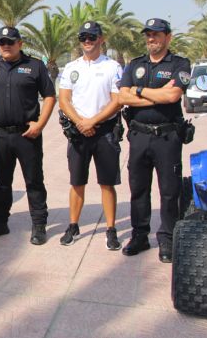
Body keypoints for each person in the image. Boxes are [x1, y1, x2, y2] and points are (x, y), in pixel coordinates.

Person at [0, 26, 56, 245]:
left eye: (11, 42)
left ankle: (39, 225)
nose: (6, 46)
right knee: (2, 182)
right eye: (2, 42)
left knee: (34, 181)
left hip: (27, 135)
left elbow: (49, 96)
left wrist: (41, 124)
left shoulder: (34, 66)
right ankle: (0, 222)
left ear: (20, 43)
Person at [118, 18, 191, 263]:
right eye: (148, 35)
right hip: (139, 135)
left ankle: (167, 239)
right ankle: (139, 236)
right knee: (138, 190)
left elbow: (173, 95)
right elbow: (122, 96)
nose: (152, 39)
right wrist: (154, 95)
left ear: (168, 37)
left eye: (157, 35)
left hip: (167, 137)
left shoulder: (179, 63)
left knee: (170, 191)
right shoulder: (135, 64)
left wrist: (138, 91)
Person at [58, 21, 123, 250]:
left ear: (101, 39)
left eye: (92, 36)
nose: (87, 41)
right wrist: (80, 122)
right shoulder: (70, 67)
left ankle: (111, 229)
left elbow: (117, 101)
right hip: (78, 133)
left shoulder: (113, 67)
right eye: (83, 37)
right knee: (77, 183)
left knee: (107, 183)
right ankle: (73, 226)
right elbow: (64, 99)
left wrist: (92, 121)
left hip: (104, 132)